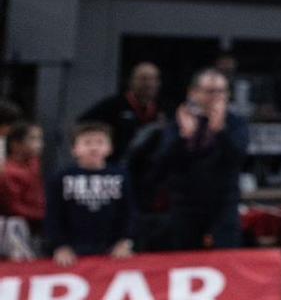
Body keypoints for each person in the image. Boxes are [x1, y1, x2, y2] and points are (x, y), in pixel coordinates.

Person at [156, 69, 249, 250]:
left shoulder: (236, 122)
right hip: (185, 205)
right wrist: (184, 137)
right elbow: (164, 161)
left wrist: (220, 131)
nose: (216, 96)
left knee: (227, 255)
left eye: (221, 91)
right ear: (193, 93)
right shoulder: (179, 121)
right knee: (185, 257)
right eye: (209, 91)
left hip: (223, 204)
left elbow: (237, 158)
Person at [44, 122, 134, 264]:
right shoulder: (62, 177)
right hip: (72, 250)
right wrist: (60, 246)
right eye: (87, 143)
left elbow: (129, 212)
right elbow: (53, 214)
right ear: (74, 149)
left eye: (100, 142)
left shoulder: (120, 176)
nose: (94, 147)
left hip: (112, 248)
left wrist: (125, 241)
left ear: (110, 148)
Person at [81, 62, 162, 159]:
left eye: (153, 79)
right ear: (132, 81)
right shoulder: (113, 105)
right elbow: (83, 123)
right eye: (143, 79)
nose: (149, 84)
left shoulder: (160, 110)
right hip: (116, 162)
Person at [0, 122, 46, 247]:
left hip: (41, 226)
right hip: (18, 231)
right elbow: (13, 208)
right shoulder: (8, 173)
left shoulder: (35, 163)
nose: (39, 144)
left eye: (40, 139)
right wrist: (44, 214)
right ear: (16, 144)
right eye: (33, 139)